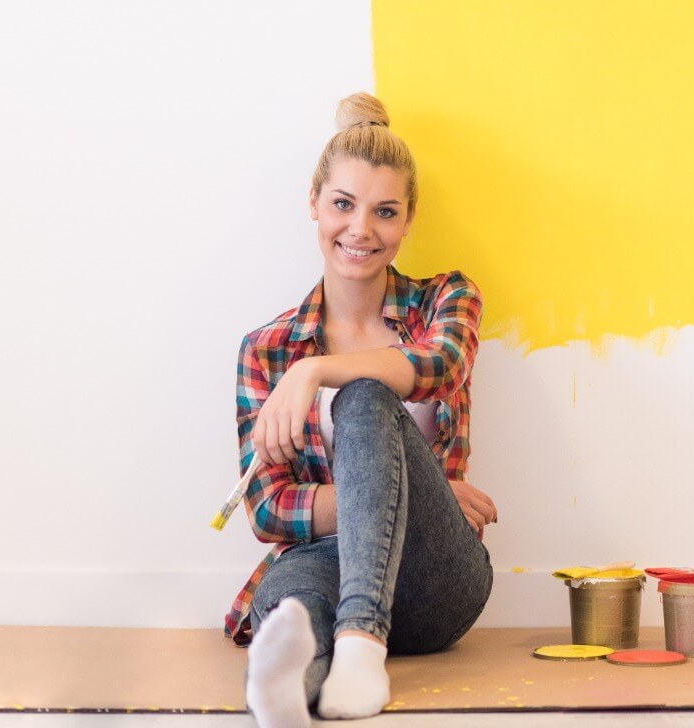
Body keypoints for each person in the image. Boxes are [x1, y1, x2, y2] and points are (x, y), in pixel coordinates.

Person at [224, 92, 497, 727]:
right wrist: (398, 490)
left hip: (437, 578)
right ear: (314, 203)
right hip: (326, 562)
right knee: (292, 607)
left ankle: (364, 648)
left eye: (384, 212)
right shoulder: (264, 350)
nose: (360, 230)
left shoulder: (446, 300)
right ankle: (291, 694)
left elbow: (440, 367)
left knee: (366, 397)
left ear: (408, 220)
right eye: (343, 205)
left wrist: (317, 370)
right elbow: (267, 508)